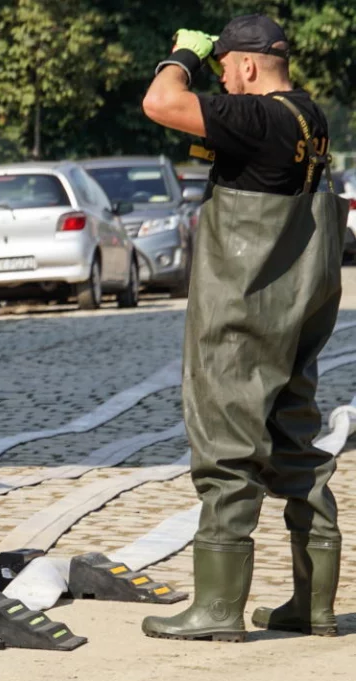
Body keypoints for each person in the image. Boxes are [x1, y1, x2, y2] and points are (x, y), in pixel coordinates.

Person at [139, 15, 347, 641]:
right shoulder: (310, 117)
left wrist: (182, 56)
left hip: (242, 313)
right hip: (297, 313)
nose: (223, 82)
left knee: (227, 451)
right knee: (297, 449)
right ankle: (313, 606)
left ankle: (218, 610)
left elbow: (161, 103)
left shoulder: (257, 118)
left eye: (227, 69)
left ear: (250, 65)